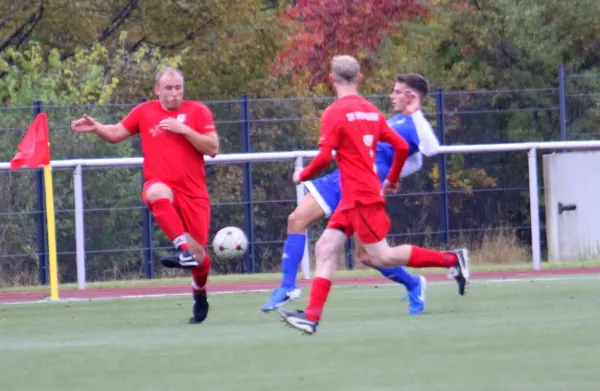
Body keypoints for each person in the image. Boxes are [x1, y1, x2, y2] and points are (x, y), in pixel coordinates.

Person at [277, 55, 469, 335]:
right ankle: (311, 316)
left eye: (396, 91)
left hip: (361, 195)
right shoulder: (371, 112)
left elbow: (324, 157)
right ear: (360, 79)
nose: (392, 95)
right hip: (353, 193)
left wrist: (302, 175)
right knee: (325, 248)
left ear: (331, 79)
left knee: (382, 256)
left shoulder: (335, 112)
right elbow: (402, 149)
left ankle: (451, 260)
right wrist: (392, 179)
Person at [71, 67, 218, 324]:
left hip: (194, 194)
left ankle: (199, 291)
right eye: (169, 88)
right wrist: (97, 128)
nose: (174, 93)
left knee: (200, 259)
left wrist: (183, 130)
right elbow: (117, 133)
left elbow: (213, 148)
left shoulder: (198, 111)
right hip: (162, 184)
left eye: (178, 88)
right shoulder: (144, 111)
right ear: (157, 90)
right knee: (155, 192)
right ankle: (181, 248)